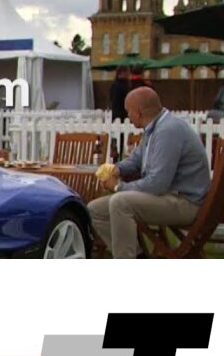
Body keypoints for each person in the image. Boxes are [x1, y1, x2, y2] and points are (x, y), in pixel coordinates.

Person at [89, 87, 211, 259]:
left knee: (120, 202)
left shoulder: (168, 131)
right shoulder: (154, 128)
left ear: (138, 112)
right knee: (95, 210)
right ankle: (139, 257)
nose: (128, 116)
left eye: (128, 111)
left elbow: (157, 183)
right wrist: (117, 169)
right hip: (169, 197)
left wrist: (118, 187)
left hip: (185, 203)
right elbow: (136, 159)